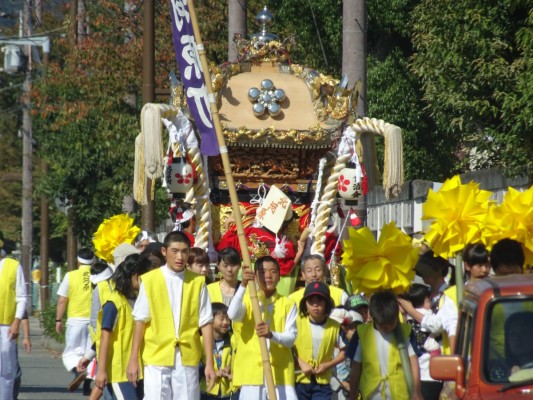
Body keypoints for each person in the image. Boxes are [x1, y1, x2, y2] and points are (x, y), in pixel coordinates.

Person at [127, 231, 215, 400]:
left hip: (187, 357)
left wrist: (209, 363)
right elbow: (140, 321)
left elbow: (206, 323)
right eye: (175, 251)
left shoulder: (198, 282)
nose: (180, 257)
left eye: (184, 251)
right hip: (157, 356)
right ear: (164, 252)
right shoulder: (150, 280)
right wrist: (133, 359)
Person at [228, 256, 298, 400]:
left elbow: (291, 338)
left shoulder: (288, 304)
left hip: (280, 370)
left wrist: (271, 335)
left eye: (273, 271)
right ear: (255, 275)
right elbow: (232, 314)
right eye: (263, 271)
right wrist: (243, 285)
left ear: (279, 277)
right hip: (251, 371)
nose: (268, 276)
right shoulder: (248, 299)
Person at [95, 254, 151, 399]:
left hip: (138, 371)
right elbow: (104, 336)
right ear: (136, 275)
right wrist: (101, 371)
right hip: (119, 372)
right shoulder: (113, 303)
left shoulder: (138, 300)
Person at [348, 291, 423, 400]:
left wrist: (416, 391)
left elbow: (414, 362)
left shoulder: (406, 331)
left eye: (391, 323)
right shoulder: (361, 333)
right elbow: (356, 367)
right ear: (372, 316)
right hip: (372, 395)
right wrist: (352, 394)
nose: (387, 328)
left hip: (400, 394)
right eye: (383, 325)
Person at [398, 250, 457, 355]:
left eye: (425, 269)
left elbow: (437, 325)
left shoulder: (450, 294)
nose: (421, 273)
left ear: (438, 270)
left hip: (443, 356)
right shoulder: (422, 294)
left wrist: (411, 310)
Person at [293, 282, 346, 400]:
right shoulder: (296, 323)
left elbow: (345, 351)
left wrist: (327, 365)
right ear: (305, 304)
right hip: (300, 380)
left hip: (322, 383)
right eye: (311, 301)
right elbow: (286, 348)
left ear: (327, 303)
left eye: (320, 301)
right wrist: (300, 362)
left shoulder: (335, 326)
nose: (315, 305)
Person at [56, 247, 95, 393]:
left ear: (78, 261)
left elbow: (62, 300)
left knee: (71, 353)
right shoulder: (97, 275)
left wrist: (58, 320)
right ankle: (87, 386)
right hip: (93, 321)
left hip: (75, 320)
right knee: (89, 353)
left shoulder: (70, 276)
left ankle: (78, 373)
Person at [404, 284, 442, 400]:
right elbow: (436, 326)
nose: (430, 302)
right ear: (421, 301)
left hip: (418, 373)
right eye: (428, 300)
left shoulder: (409, 316)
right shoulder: (426, 314)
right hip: (431, 375)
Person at [0, 241, 27, 400]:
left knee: (6, 370)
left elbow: (22, 297)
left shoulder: (13, 266)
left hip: (6, 326)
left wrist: (17, 322)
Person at [200, 302, 234, 400]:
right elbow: (197, 367)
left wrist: (229, 368)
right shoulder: (201, 341)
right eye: (222, 319)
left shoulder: (233, 339)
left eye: (228, 319)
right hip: (206, 393)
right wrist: (214, 373)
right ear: (211, 320)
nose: (226, 322)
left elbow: (238, 358)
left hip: (227, 393)